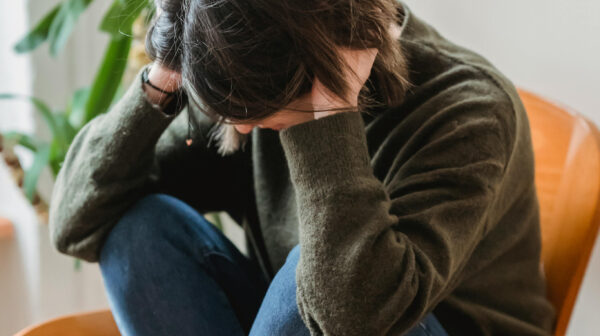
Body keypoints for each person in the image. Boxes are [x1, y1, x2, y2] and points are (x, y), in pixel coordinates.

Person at [48, 0, 556, 335]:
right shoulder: (251, 77)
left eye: (256, 116)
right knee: (139, 230)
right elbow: (77, 222)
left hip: (388, 319)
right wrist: (168, 67)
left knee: (316, 277)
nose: (241, 130)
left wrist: (328, 116)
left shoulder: (469, 109)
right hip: (322, 315)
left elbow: (353, 317)